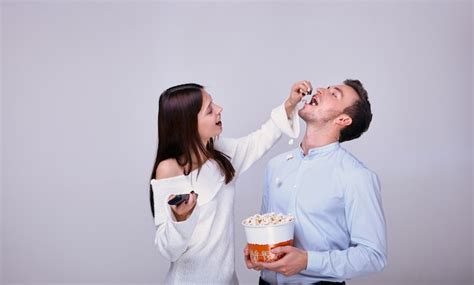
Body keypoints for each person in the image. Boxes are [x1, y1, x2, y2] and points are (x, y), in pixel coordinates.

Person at [149, 82, 311, 284]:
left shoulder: (220, 153)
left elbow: (259, 141)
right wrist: (181, 219)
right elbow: (168, 250)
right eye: (209, 110)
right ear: (188, 124)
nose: (219, 109)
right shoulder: (169, 169)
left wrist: (289, 104)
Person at [245, 79, 387, 284]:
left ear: (344, 120)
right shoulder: (276, 166)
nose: (321, 90)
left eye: (334, 94)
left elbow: (374, 256)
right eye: (327, 88)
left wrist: (307, 261)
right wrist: (258, 248)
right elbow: (267, 228)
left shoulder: (357, 176)